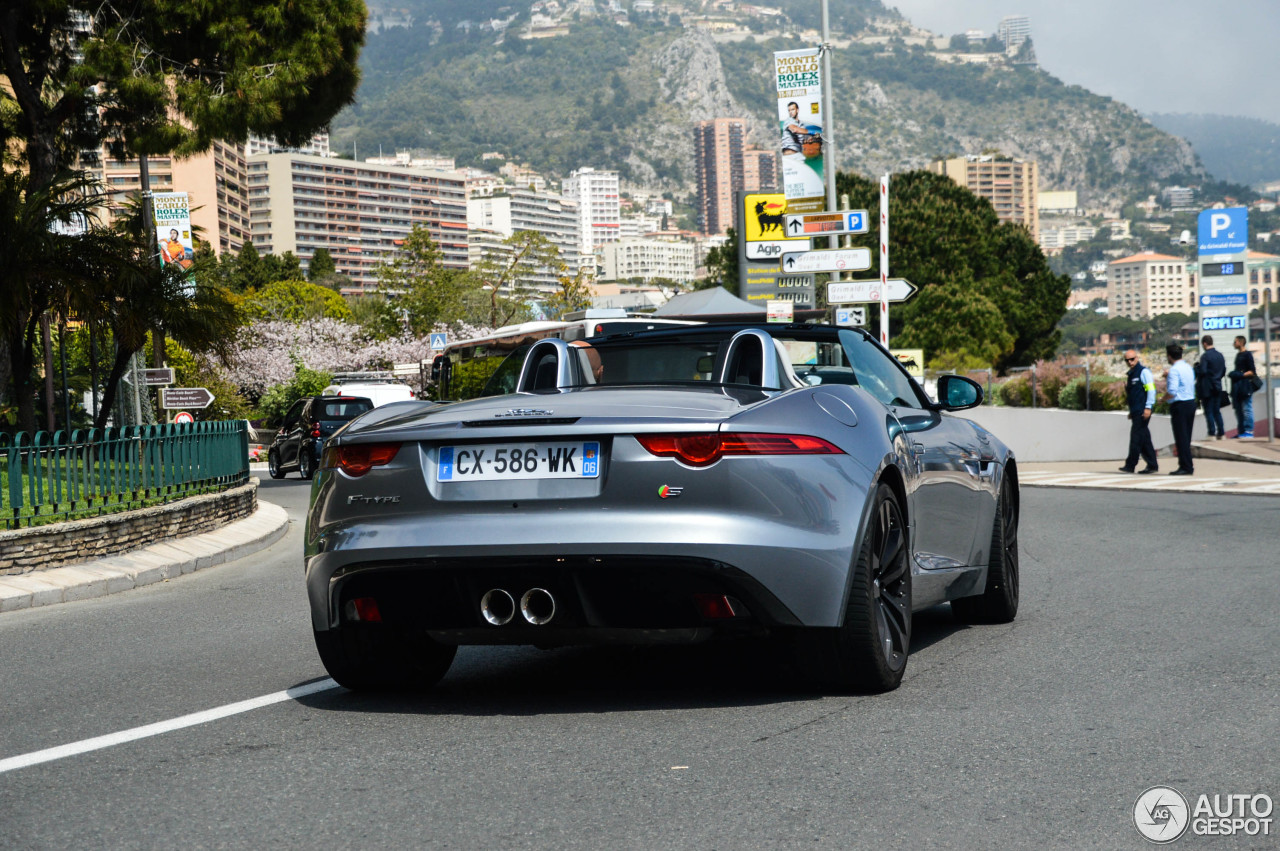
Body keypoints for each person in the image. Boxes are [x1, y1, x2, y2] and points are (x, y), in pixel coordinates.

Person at [1119, 349, 1158, 474]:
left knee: (1136, 438)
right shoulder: (1131, 374)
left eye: (1132, 359)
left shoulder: (1143, 372)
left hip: (1143, 410)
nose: (1130, 362)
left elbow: (1151, 390)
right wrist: (1132, 411)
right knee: (1144, 439)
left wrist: (1148, 407)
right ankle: (1152, 465)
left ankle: (1130, 465)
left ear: (1137, 358)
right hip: (1136, 411)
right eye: (1127, 360)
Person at [1163, 343, 1196, 475]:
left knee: (1181, 437)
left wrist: (1162, 399)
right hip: (1190, 403)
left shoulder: (1174, 370)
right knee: (1186, 436)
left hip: (1180, 405)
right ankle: (1187, 465)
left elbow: (1172, 391)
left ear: (1169, 356)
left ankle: (1185, 466)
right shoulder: (1188, 367)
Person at [1195, 334, 1226, 440]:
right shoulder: (1220, 355)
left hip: (1207, 387)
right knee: (1217, 410)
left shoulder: (1205, 356)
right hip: (1218, 386)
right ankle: (1221, 433)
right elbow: (1223, 371)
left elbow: (1203, 371)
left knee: (1208, 410)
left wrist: (1196, 368)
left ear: (1204, 343)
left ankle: (1212, 433)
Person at [1228, 335, 1257, 438]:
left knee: (1247, 408)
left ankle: (1249, 430)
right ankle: (1241, 431)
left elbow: (1252, 371)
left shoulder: (1247, 355)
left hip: (1245, 386)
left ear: (1240, 342)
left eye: (1235, 342)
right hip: (1237, 387)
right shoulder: (1238, 355)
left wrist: (1240, 375)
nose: (1234, 344)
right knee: (1239, 410)